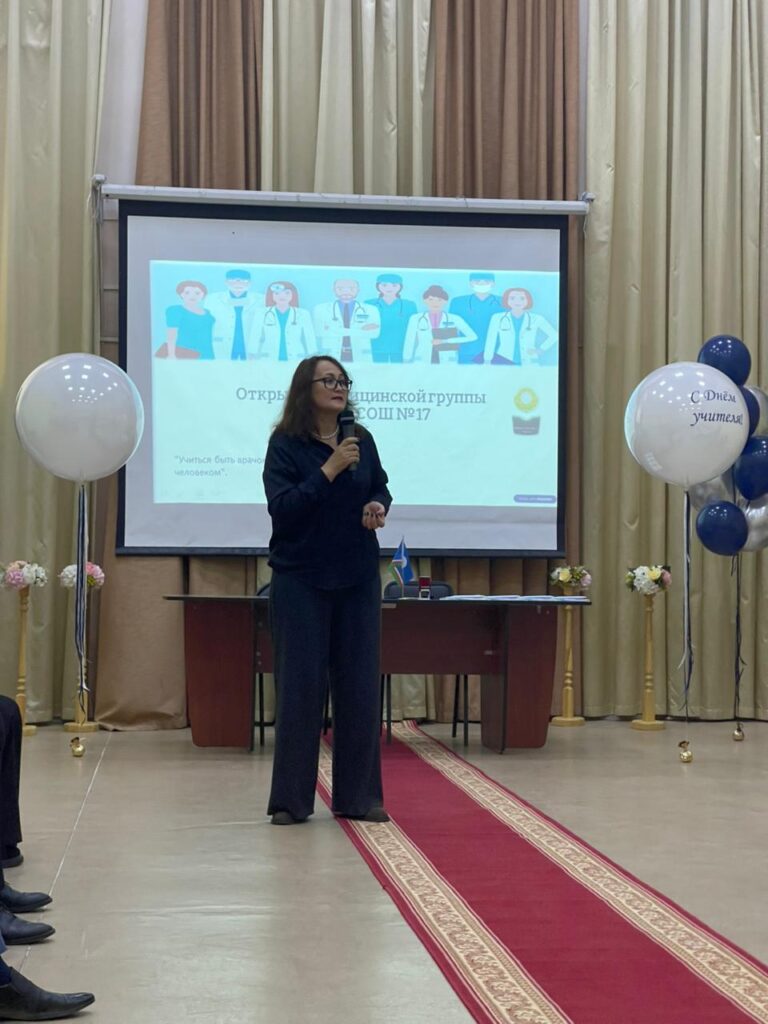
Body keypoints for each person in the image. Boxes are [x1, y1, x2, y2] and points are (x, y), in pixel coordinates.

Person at [263, 356, 392, 825]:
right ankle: (291, 802)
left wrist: (376, 504)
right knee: (300, 689)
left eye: (343, 381)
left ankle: (359, 798)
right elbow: (283, 508)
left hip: (357, 577)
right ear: (307, 388)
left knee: (359, 687)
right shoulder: (285, 444)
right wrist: (329, 469)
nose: (339, 387)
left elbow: (380, 486)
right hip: (301, 578)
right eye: (329, 380)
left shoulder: (362, 439)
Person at [483, 287, 559, 365]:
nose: (517, 302)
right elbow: (491, 340)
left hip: (529, 360)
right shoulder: (497, 318)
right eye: (512, 298)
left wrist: (541, 349)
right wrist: (487, 360)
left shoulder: (536, 319)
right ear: (507, 300)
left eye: (522, 298)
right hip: (504, 359)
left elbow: (554, 335)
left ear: (528, 301)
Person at [403, 285, 477, 364]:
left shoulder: (455, 318)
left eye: (439, 300)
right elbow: (409, 340)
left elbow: (472, 336)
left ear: (445, 301)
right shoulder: (415, 318)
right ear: (424, 300)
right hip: (423, 359)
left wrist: (446, 341)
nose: (435, 303)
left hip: (447, 360)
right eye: (431, 299)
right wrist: (406, 359)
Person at [313, 279, 380, 363]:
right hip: (331, 355)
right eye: (340, 289)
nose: (346, 292)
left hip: (360, 356)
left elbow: (374, 333)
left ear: (358, 290)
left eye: (351, 289)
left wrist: (333, 329)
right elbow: (320, 332)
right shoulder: (321, 309)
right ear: (334, 290)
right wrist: (360, 330)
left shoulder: (371, 309)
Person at [249, 281, 316, 361]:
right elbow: (255, 335)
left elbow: (309, 337)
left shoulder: (303, 314)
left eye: (287, 293)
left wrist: (313, 355)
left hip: (296, 358)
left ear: (293, 295)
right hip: (269, 358)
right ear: (272, 296)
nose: (282, 296)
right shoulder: (261, 313)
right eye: (277, 293)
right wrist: (252, 353)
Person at [206, 268, 263, 361]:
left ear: (250, 283)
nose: (238, 284)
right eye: (233, 281)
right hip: (222, 343)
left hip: (249, 343)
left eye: (243, 281)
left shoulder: (261, 299)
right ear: (226, 282)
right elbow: (207, 324)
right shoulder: (212, 299)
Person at [448, 272, 504, 364]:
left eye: (486, 281)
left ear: (493, 283)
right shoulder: (458, 302)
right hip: (467, 352)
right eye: (477, 281)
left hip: (497, 352)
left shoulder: (503, 302)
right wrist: (448, 355)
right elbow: (450, 328)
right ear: (470, 283)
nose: (482, 284)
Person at [364, 273, 417, 363]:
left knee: (400, 371)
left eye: (394, 285)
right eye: (384, 285)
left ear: (400, 287)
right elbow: (362, 325)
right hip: (376, 346)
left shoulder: (409, 305)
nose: (389, 288)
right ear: (378, 286)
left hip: (401, 347)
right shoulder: (369, 304)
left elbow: (414, 328)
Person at [162, 280, 216, 359]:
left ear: (203, 295)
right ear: (181, 294)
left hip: (207, 354)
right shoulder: (175, 311)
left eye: (197, 293)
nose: (192, 296)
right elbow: (171, 334)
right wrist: (171, 354)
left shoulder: (208, 313)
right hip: (184, 353)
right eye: (187, 293)